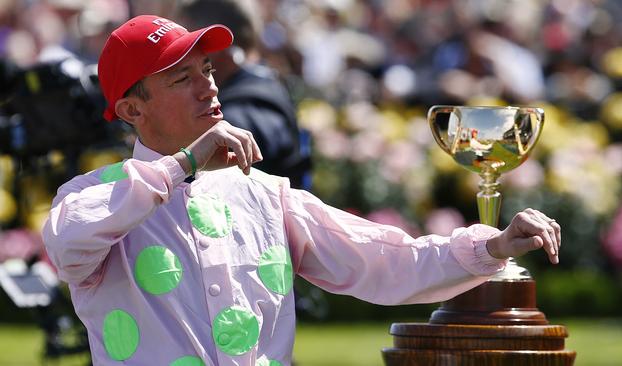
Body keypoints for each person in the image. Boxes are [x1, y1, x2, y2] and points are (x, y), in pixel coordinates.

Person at [42, 15, 561, 365]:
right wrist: (184, 163)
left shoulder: (268, 195)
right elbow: (69, 246)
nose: (209, 86)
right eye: (181, 79)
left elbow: (384, 262)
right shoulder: (93, 196)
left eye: (207, 69)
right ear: (133, 110)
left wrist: (493, 245)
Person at [177, 0, 310, 189]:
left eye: (189, 43)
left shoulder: (246, 109)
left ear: (220, 45)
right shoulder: (261, 84)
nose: (180, 55)